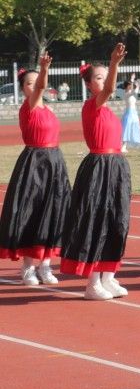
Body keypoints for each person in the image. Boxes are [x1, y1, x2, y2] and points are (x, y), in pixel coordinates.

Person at [60, 43, 133, 301]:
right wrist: (114, 64)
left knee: (118, 221)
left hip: (116, 166)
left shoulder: (108, 110)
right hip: (99, 167)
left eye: (105, 76)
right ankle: (92, 283)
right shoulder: (92, 105)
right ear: (89, 84)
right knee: (96, 221)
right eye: (99, 78)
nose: (104, 81)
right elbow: (111, 89)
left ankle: (108, 276)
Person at [0, 53, 71, 286]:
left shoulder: (48, 109)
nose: (35, 86)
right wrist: (44, 69)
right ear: (23, 89)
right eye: (29, 83)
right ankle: (28, 267)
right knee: (32, 213)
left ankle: (46, 265)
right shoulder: (29, 106)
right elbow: (40, 87)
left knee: (53, 212)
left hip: (54, 162)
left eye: (36, 81)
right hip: (34, 163)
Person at [119, 80, 140, 153]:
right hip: (129, 113)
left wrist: (139, 85)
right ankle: (123, 146)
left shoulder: (131, 93)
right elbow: (134, 92)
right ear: (127, 86)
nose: (131, 86)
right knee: (127, 129)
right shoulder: (126, 93)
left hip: (134, 113)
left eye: (132, 85)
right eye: (130, 85)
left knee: (137, 128)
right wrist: (135, 83)